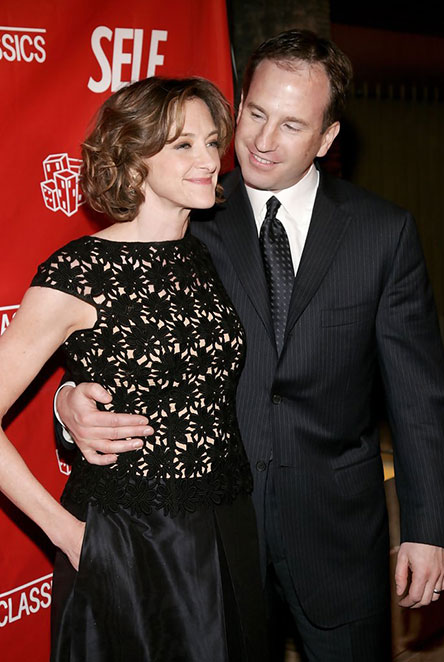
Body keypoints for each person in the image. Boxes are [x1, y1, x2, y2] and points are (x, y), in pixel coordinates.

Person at [55, 31, 444, 661]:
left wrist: (428, 529)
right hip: (216, 536)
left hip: (337, 533)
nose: (263, 141)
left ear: (327, 138)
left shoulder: (384, 233)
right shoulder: (188, 214)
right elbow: (123, 335)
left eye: (292, 125)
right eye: (256, 114)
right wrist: (69, 399)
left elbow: (419, 397)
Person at [0, 76, 268, 662]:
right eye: (183, 145)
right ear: (131, 158)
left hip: (227, 525)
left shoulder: (204, 251)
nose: (209, 160)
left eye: (211, 141)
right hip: (130, 539)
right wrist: (67, 533)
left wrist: (66, 394)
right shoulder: (79, 272)